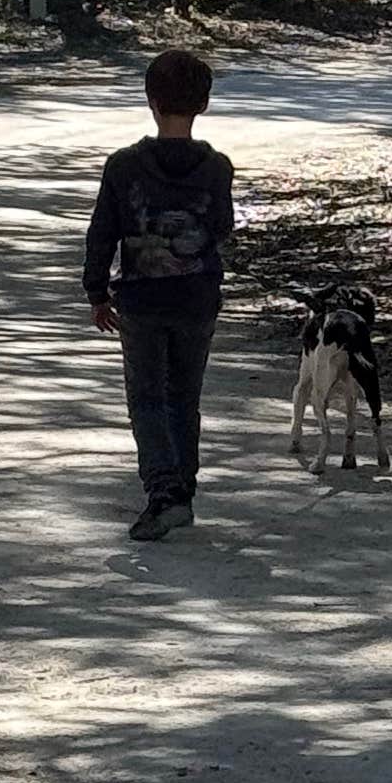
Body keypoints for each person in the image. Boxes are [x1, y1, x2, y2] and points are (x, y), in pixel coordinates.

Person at [84, 45, 235, 540]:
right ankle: (182, 488)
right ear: (204, 105)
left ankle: (163, 491)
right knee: (184, 396)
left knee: (147, 397)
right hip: (197, 298)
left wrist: (97, 290)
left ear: (150, 100)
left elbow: (102, 230)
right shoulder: (217, 167)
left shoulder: (124, 165)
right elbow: (222, 227)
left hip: (141, 301)